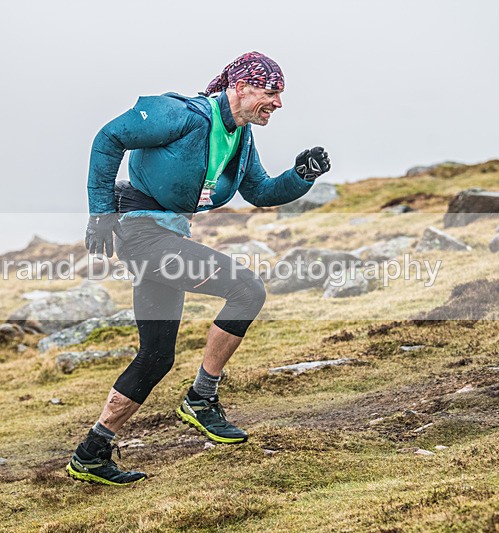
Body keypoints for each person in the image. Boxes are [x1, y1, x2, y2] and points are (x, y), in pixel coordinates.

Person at [67, 51, 331, 485]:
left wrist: (301, 176)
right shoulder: (182, 115)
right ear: (240, 87)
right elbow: (109, 137)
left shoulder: (240, 138)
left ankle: (91, 453)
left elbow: (261, 192)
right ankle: (201, 399)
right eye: (271, 93)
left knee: (155, 357)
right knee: (248, 290)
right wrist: (99, 216)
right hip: (143, 236)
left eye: (280, 95)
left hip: (166, 239)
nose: (278, 103)